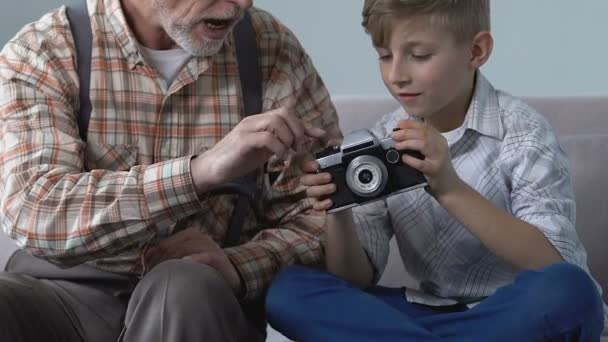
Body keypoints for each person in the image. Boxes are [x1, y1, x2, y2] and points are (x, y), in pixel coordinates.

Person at [0, 0, 341, 341]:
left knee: (182, 287)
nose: (243, 3)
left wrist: (240, 265)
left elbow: (324, 220)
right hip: (63, 294)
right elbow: (35, 210)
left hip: (194, 305)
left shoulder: (269, 48)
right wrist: (198, 173)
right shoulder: (44, 51)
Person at [265, 0, 607, 341]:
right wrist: (337, 212)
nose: (396, 74)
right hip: (426, 314)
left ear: (476, 51)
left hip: (512, 312)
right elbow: (355, 279)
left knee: (570, 291)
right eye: (385, 56)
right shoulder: (382, 141)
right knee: (289, 290)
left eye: (420, 56)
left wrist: (449, 188)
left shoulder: (523, 133)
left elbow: (552, 262)